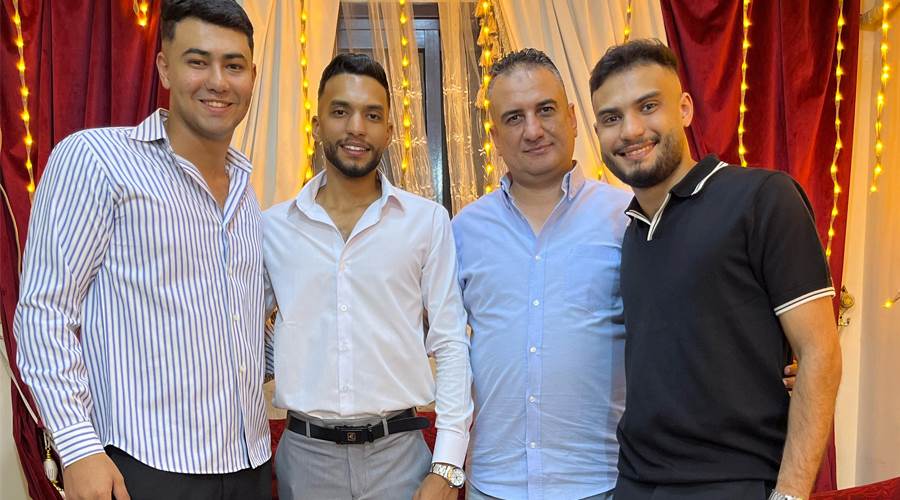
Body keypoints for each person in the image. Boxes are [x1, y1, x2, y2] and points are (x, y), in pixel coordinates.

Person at [14, 1, 272, 499]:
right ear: (165, 68)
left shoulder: (246, 190)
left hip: (248, 463)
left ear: (252, 77)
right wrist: (78, 448)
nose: (218, 81)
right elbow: (45, 312)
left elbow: (234, 330)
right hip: (144, 466)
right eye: (198, 61)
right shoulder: (97, 160)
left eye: (234, 65)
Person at [589, 39, 842, 500]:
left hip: (732, 482)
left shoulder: (763, 198)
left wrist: (789, 494)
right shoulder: (632, 232)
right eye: (611, 117)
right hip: (635, 483)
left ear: (684, 109)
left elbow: (820, 354)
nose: (631, 130)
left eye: (648, 106)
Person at [262, 53, 473, 500]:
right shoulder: (272, 228)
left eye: (372, 115)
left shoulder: (426, 222)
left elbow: (451, 343)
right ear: (318, 124)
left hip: (400, 456)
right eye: (341, 111)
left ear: (389, 131)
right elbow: (235, 334)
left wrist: (448, 464)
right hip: (306, 459)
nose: (356, 127)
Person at [452, 48, 631, 500]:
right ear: (495, 136)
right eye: (514, 118)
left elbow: (678, 329)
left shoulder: (626, 218)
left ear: (571, 117)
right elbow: (434, 342)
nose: (532, 130)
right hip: (494, 483)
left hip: (602, 482)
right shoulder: (463, 231)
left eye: (545, 110)